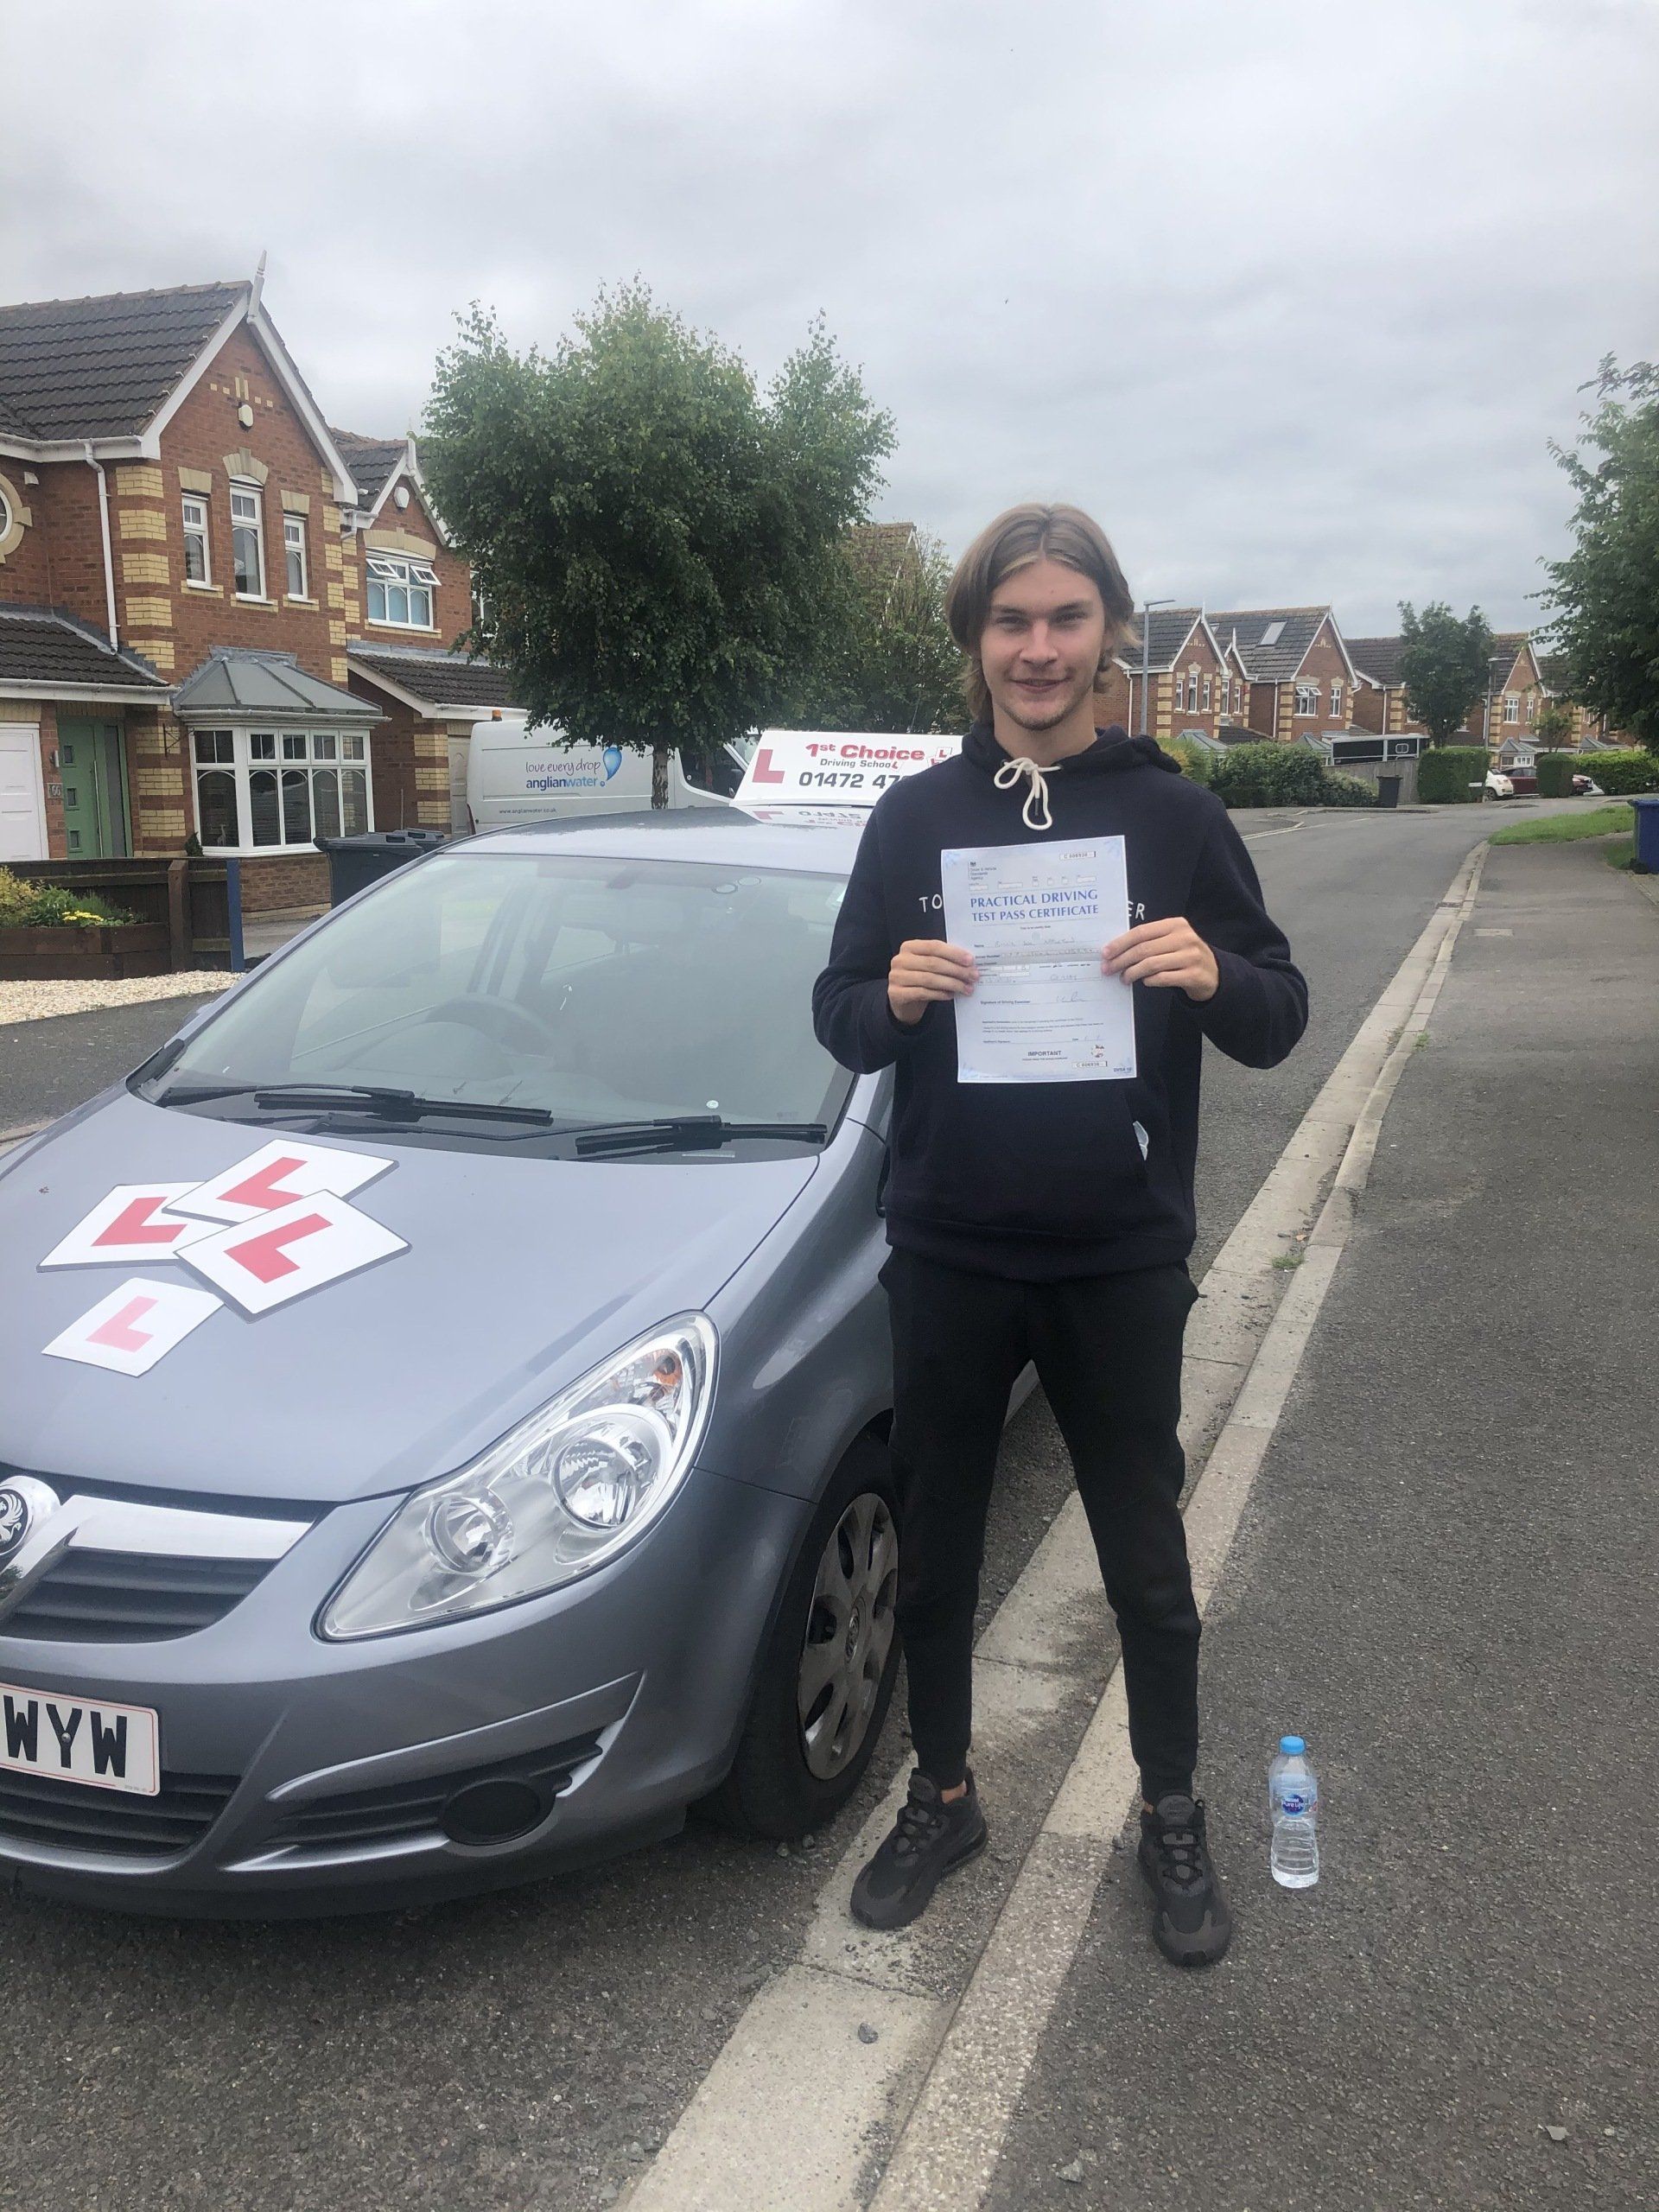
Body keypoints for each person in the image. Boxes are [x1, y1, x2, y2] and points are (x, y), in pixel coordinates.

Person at [810, 503, 1308, 1968]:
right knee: (937, 1555)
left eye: (1066, 619)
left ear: (1110, 634)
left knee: (1146, 1561)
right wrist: (891, 998)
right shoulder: (913, 819)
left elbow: (1277, 1018)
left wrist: (1211, 970)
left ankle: (1170, 1807)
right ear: (975, 641)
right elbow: (839, 1017)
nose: (1039, 649)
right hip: (951, 1247)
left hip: (1116, 1256)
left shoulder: (1175, 817)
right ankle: (945, 1795)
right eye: (1011, 621)